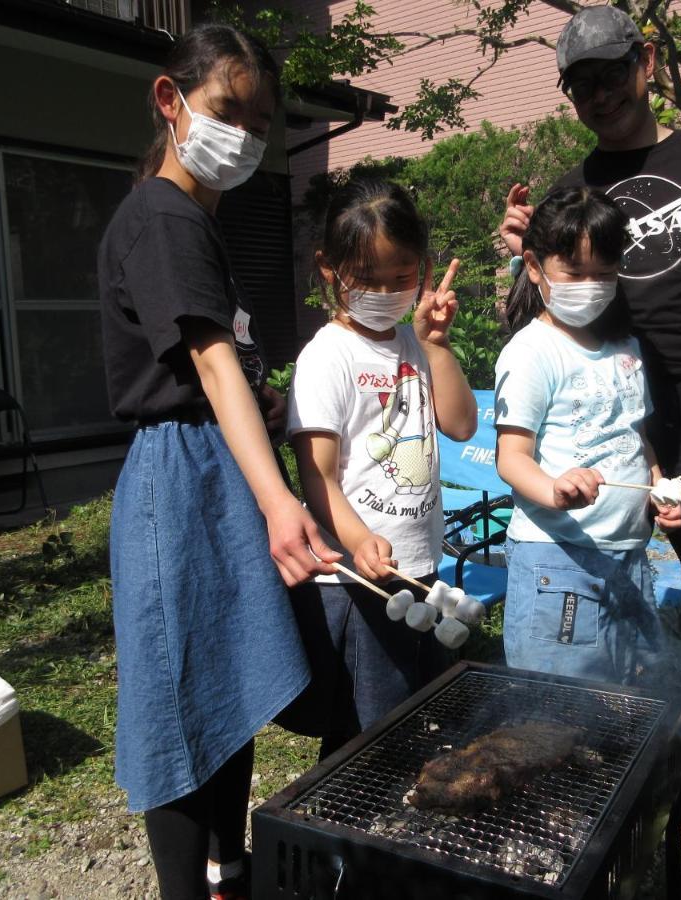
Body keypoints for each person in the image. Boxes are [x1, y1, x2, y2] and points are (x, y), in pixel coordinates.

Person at [498, 5, 681, 784]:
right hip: (610, 394)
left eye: (608, 75)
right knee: (612, 540)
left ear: (648, 62)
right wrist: (516, 257)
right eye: (579, 86)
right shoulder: (574, 187)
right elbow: (532, 311)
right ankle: (612, 702)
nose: (596, 96)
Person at [96, 25, 340, 900]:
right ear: (172, 101)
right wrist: (281, 501)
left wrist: (263, 405)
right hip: (181, 479)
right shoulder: (163, 215)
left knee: (225, 676)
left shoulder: (195, 217)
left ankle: (227, 865)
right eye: (227, 110)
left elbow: (223, 368)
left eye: (260, 121)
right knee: (177, 695)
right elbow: (204, 363)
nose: (244, 135)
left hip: (216, 462)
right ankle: (184, 888)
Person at [285, 178, 477, 758]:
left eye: (403, 278)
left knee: (411, 707)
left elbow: (463, 425)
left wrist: (437, 343)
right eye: (367, 280)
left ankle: (389, 817)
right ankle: (347, 840)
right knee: (366, 730)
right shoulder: (328, 356)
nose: (387, 292)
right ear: (329, 268)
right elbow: (316, 474)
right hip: (357, 578)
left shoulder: (412, 343)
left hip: (417, 564)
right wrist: (359, 538)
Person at [493, 186, 681, 685]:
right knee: (556, 704)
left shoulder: (625, 345)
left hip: (628, 552)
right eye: (575, 273)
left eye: (604, 273)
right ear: (534, 267)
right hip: (557, 557)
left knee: (619, 689)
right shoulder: (531, 352)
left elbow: (634, 431)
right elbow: (511, 459)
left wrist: (659, 487)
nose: (591, 286)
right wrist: (554, 491)